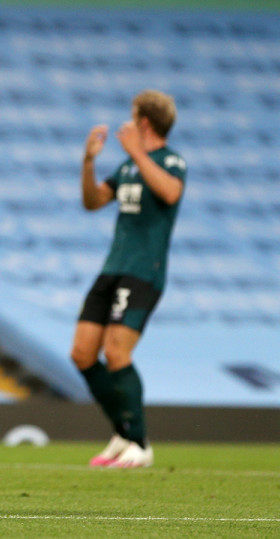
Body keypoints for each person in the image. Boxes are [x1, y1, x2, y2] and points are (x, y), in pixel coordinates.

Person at [71, 90, 185, 469]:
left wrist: (137, 152)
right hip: (113, 268)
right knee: (82, 353)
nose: (128, 124)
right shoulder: (127, 167)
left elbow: (170, 193)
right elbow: (92, 202)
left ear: (144, 122)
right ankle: (123, 430)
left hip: (143, 271)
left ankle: (139, 442)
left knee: (117, 352)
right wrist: (89, 162)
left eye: (133, 116)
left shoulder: (171, 162)